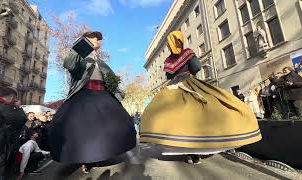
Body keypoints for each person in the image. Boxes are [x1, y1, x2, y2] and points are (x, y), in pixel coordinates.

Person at [139, 31, 262, 162]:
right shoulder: (187, 52)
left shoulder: (168, 60)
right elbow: (196, 67)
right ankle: (197, 153)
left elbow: (169, 76)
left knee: (178, 119)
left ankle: (181, 147)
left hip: (173, 88)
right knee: (202, 113)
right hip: (190, 84)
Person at [49, 31, 136, 174]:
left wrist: (119, 93)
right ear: (86, 41)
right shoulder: (80, 59)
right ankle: (86, 159)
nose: (98, 41)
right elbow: (69, 64)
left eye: (99, 39)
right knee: (83, 129)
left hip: (103, 96)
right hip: (84, 96)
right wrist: (81, 45)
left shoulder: (102, 62)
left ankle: (104, 151)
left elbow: (112, 81)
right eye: (94, 39)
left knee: (120, 122)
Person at [0, 87, 27, 180]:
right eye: (15, 98)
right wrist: (18, 107)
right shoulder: (4, 107)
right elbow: (21, 119)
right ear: (11, 98)